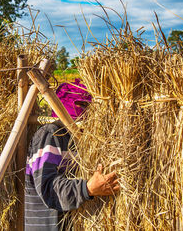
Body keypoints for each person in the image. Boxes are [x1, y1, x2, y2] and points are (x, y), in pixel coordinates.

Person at [25, 79, 120, 231]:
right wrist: (87, 188)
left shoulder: (82, 141)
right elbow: (47, 188)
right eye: (84, 106)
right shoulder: (51, 134)